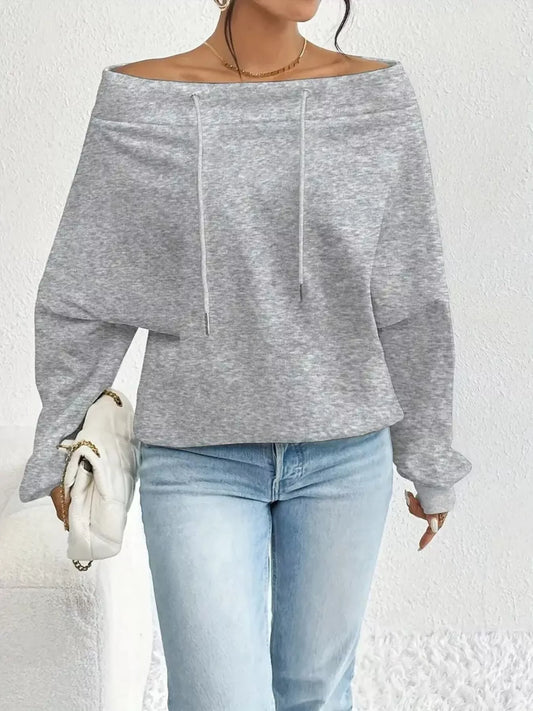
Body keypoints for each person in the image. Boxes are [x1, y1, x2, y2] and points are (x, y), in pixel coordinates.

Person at [19, 0, 473, 708]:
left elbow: (411, 290)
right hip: (195, 456)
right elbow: (85, 288)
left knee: (315, 693)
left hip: (345, 453)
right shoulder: (142, 102)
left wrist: (429, 455)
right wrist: (60, 440)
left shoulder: (373, 97)